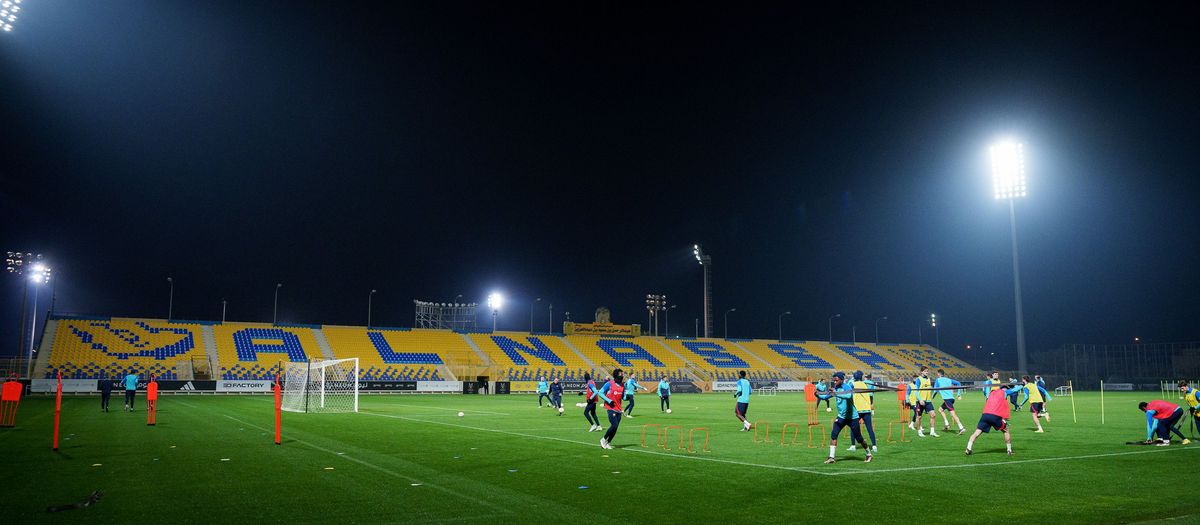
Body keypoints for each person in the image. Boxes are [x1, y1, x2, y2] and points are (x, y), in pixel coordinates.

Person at [819, 372, 872, 463]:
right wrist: (817, 394)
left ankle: (869, 454)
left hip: (852, 417)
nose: (835, 382)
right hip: (841, 417)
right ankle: (831, 457)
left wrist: (836, 393)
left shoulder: (847, 387)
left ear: (841, 379)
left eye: (836, 380)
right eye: (834, 380)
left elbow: (848, 396)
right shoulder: (836, 388)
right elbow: (825, 397)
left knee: (859, 438)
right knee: (833, 435)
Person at [965, 381, 1023, 456]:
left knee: (977, 432)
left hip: (985, 415)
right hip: (995, 416)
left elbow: (986, 390)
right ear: (1005, 388)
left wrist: (988, 383)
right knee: (1006, 430)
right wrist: (1023, 385)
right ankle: (1009, 450)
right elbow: (1015, 390)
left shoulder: (991, 393)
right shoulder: (1004, 392)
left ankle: (968, 448)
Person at [597, 369, 627, 449]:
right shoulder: (609, 384)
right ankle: (603, 439)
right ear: (616, 375)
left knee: (616, 428)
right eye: (621, 374)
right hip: (611, 408)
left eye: (622, 374)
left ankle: (608, 442)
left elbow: (623, 397)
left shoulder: (622, 385)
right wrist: (608, 400)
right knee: (614, 425)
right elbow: (600, 392)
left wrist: (626, 397)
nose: (622, 375)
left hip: (619, 409)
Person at [847, 371, 877, 452]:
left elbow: (847, 389)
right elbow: (871, 394)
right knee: (870, 428)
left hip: (857, 409)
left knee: (853, 428)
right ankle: (874, 446)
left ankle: (853, 446)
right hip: (867, 409)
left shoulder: (852, 384)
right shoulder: (865, 384)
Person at [934, 369, 966, 434]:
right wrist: (958, 394)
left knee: (953, 414)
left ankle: (961, 427)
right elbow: (958, 383)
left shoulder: (938, 380)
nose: (937, 375)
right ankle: (947, 424)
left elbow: (935, 390)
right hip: (951, 399)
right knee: (940, 410)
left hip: (947, 399)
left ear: (939, 374)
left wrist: (932, 397)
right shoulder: (948, 379)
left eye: (937, 374)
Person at [914, 367, 939, 437]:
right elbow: (915, 391)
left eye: (927, 371)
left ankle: (932, 432)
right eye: (925, 371)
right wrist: (920, 399)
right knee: (919, 417)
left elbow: (929, 387)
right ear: (921, 372)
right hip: (920, 401)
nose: (927, 372)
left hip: (928, 401)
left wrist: (931, 388)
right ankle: (919, 432)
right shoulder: (918, 379)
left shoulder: (928, 379)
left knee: (933, 415)